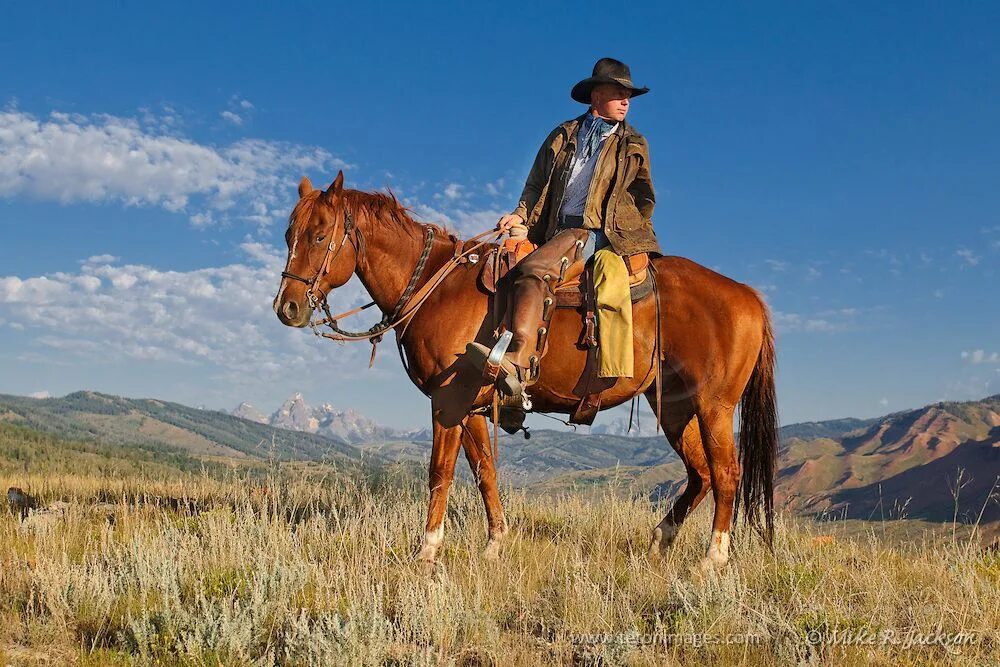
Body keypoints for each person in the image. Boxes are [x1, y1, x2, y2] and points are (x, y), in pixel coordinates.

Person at [467, 57, 662, 400]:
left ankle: (518, 362)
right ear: (595, 95)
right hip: (556, 231)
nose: (626, 101)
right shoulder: (563, 134)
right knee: (504, 263)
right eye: (618, 92)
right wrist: (520, 215)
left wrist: (628, 233)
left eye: (628, 94)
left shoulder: (633, 144)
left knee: (534, 270)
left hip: (595, 232)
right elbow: (535, 184)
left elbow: (644, 197)